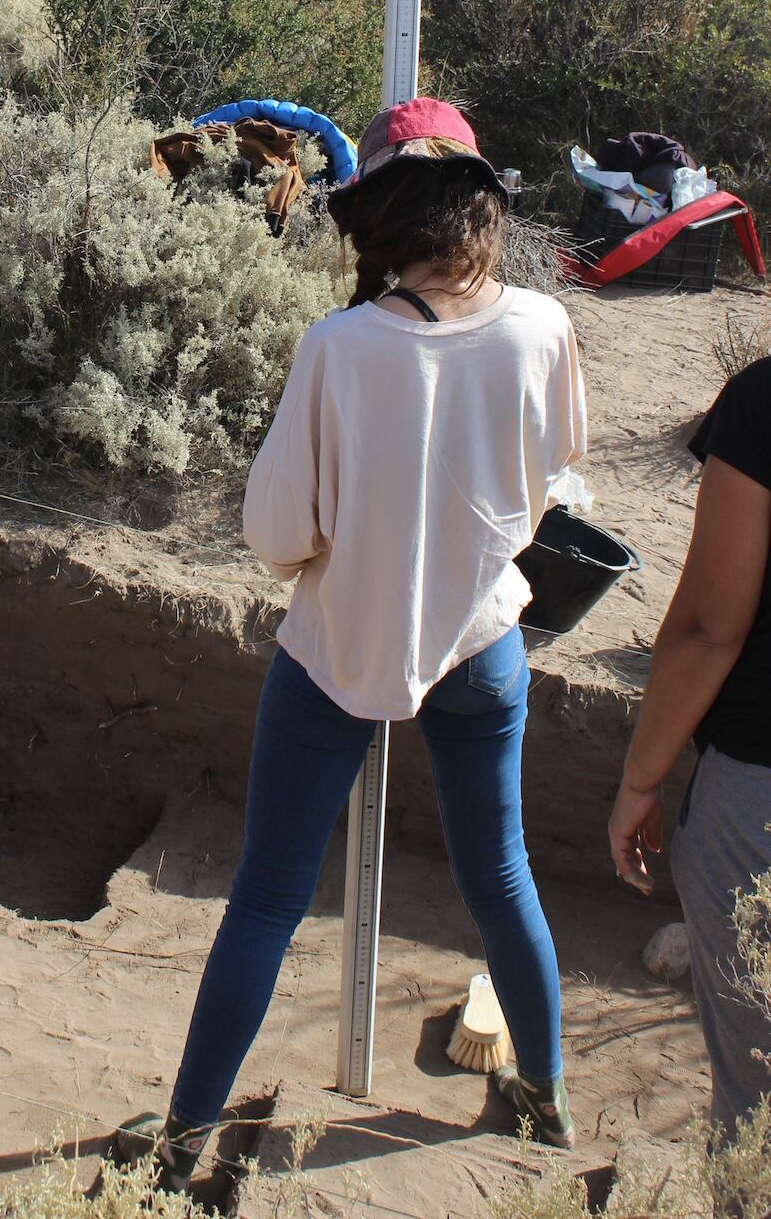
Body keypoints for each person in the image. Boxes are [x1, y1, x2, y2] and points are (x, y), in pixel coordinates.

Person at [113, 97, 588, 1189]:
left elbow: (281, 537)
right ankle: (543, 1098)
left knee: (269, 897)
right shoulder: (542, 329)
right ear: (480, 207)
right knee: (502, 873)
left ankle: (183, 1142)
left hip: (337, 652)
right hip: (481, 649)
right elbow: (557, 475)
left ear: (372, 216)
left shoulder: (339, 348)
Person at [608, 355, 771, 1140]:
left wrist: (642, 777)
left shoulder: (766, 399)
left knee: (756, 1116)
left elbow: (712, 626)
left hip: (759, 801)